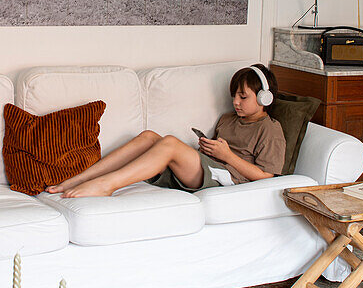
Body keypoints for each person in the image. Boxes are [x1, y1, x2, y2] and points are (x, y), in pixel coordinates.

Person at [47, 64, 285, 198]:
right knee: (149, 137)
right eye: (234, 96)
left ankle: (106, 185)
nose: (235, 102)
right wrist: (209, 148)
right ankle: (79, 179)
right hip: (211, 167)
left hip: (229, 180)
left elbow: (268, 177)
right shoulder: (227, 119)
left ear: (265, 98)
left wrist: (227, 156)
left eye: (243, 97)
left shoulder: (270, 129)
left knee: (170, 143)